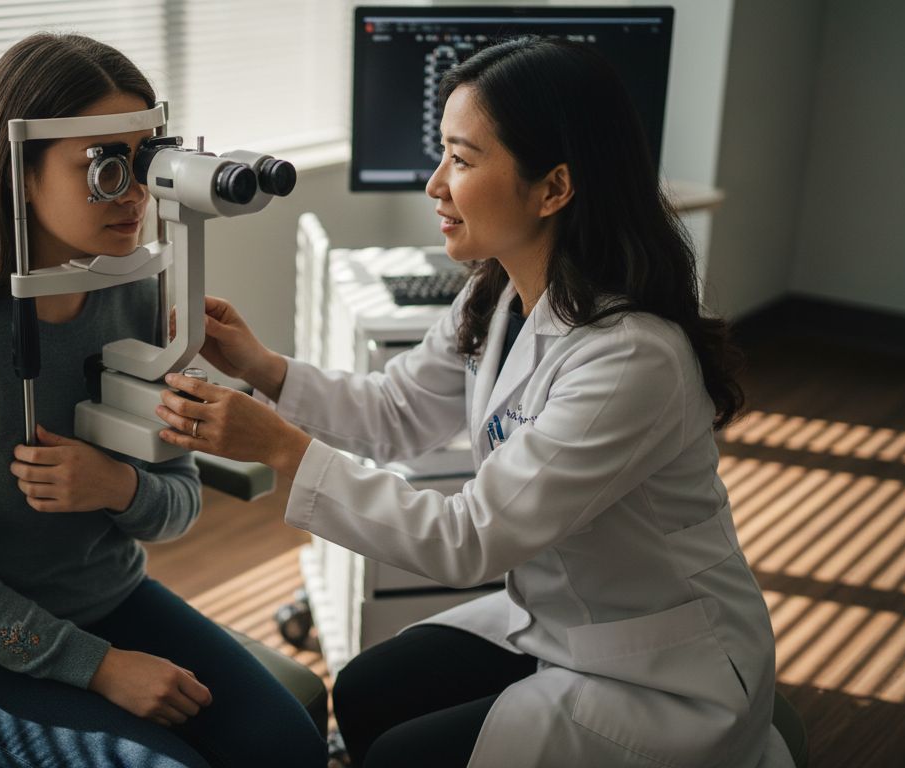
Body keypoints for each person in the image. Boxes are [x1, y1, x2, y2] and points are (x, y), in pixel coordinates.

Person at [157, 37, 785, 768]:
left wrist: (281, 448)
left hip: (660, 668)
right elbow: (396, 412)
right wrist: (262, 369)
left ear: (553, 188)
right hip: (558, 619)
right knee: (362, 692)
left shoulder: (630, 360)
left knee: (398, 754)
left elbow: (468, 540)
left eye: (460, 158)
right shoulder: (499, 296)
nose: (434, 185)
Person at [0, 32, 325, 768]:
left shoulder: (141, 300)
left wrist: (116, 486)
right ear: (20, 173)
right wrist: (99, 666)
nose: (137, 192)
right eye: (104, 165)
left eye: (145, 160)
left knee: (290, 751)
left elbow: (178, 502)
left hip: (115, 601)